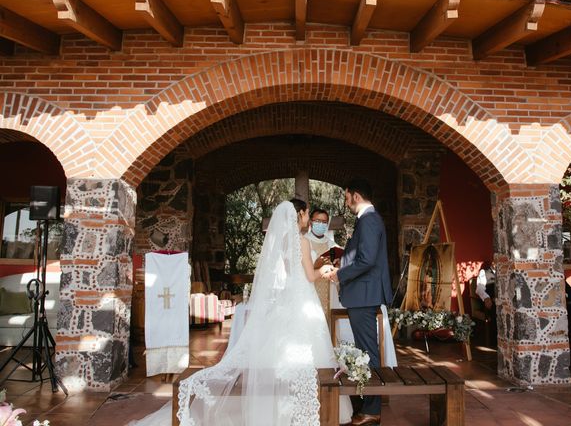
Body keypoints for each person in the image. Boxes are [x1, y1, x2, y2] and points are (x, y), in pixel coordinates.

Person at [129, 200, 352, 425]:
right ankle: (305, 409)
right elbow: (310, 277)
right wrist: (324, 269)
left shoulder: (283, 240)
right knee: (308, 353)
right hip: (303, 298)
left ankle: (283, 409)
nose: (307, 220)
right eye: (306, 215)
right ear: (301, 214)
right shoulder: (302, 241)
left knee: (285, 355)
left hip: (289, 299)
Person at [323, 179, 393, 426]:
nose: (345, 200)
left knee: (368, 351)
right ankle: (368, 403)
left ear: (354, 195)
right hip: (362, 294)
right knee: (365, 350)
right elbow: (361, 257)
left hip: (365, 295)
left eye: (346, 196)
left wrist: (338, 274)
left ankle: (372, 409)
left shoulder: (370, 219)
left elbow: (367, 260)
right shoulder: (366, 220)